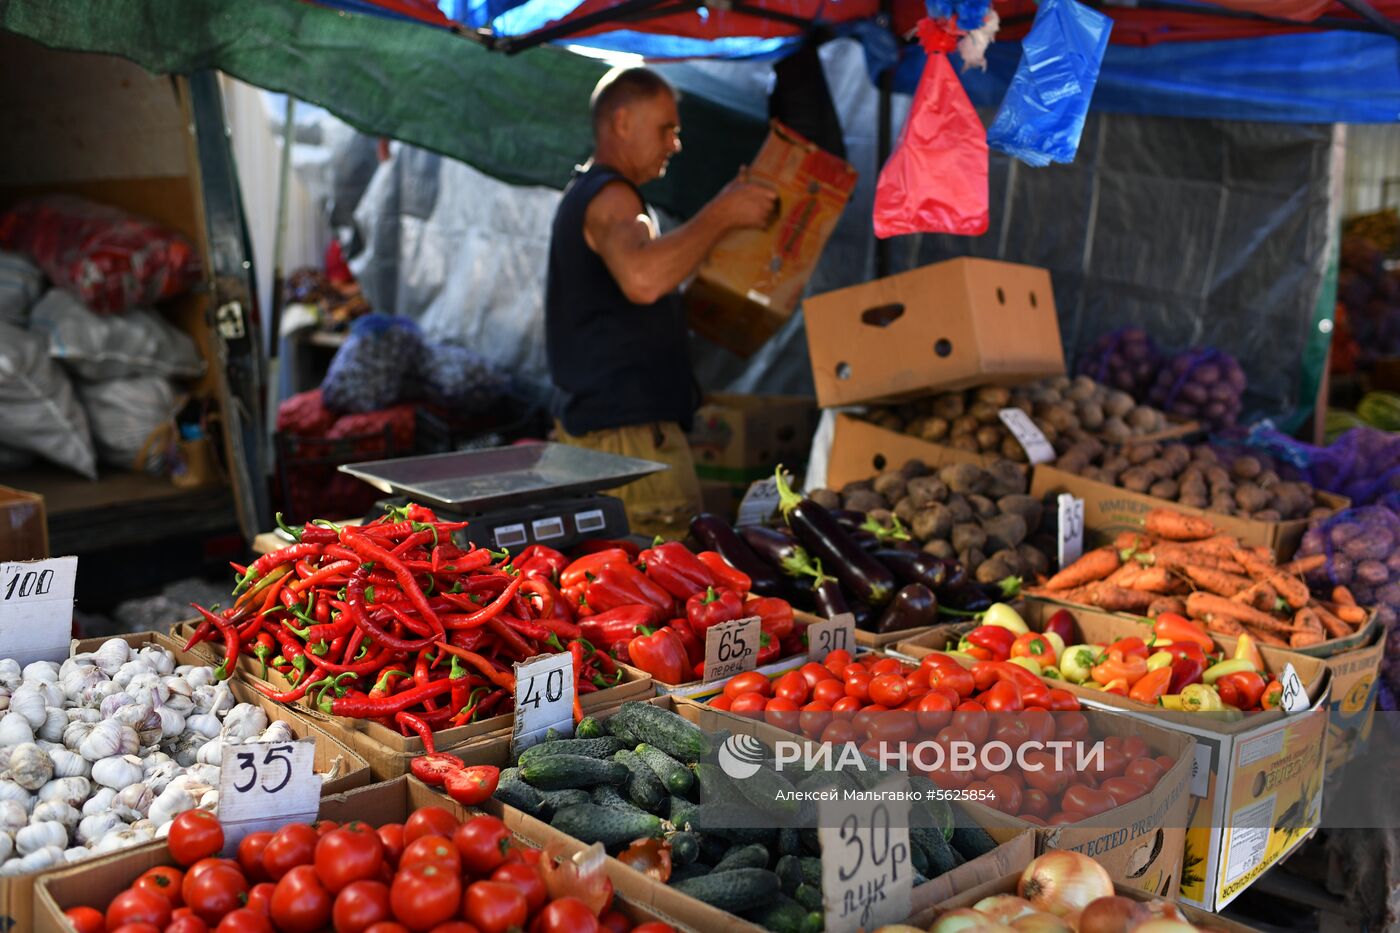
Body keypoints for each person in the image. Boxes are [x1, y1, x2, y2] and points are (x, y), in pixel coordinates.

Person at [545, 67, 778, 538]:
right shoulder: (613, 198)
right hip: (629, 445)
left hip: (609, 439)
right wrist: (723, 213)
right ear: (623, 122)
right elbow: (643, 279)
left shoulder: (596, 194)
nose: (675, 144)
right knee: (660, 594)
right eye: (666, 129)